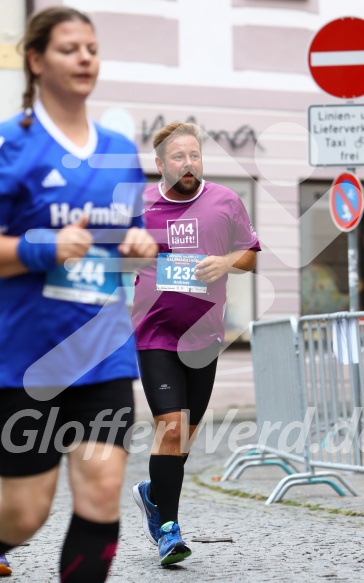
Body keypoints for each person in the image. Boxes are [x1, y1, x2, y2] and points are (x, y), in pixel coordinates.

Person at [0, 6, 156, 581]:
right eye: (70, 48)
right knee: (24, 512)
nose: (85, 57)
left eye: (91, 47)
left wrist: (136, 247)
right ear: (37, 61)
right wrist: (43, 247)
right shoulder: (9, 145)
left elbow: (118, 246)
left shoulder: (119, 149)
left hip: (102, 351)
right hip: (25, 359)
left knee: (103, 487)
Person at [131, 121, 261, 566]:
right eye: (178, 157)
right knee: (170, 427)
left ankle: (152, 494)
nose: (188, 164)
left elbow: (251, 255)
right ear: (161, 163)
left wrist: (224, 261)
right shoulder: (140, 205)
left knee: (183, 439)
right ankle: (169, 530)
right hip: (155, 336)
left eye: (194, 156)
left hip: (205, 339)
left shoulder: (225, 201)